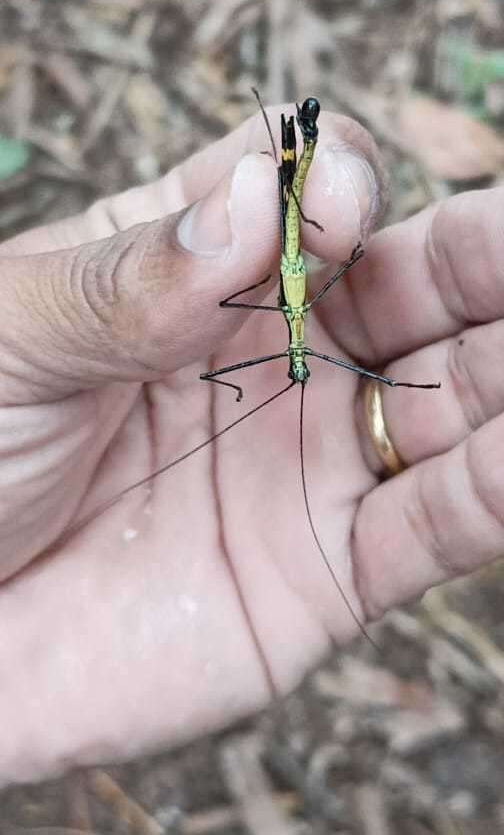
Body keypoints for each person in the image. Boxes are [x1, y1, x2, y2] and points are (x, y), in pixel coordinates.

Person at [0, 102, 499, 787]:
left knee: (296, 201)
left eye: (301, 367)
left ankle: (299, 146)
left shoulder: (300, 331)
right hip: (291, 247)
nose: (300, 372)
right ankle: (300, 147)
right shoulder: (303, 333)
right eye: (302, 367)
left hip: (290, 252)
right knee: (299, 204)